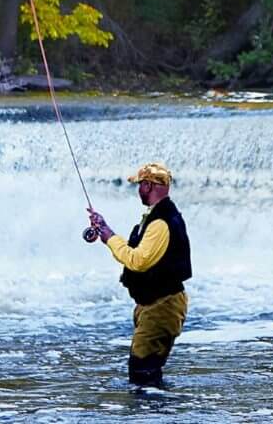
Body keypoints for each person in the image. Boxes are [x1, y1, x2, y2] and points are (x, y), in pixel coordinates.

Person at [86, 161, 192, 388]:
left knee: (142, 372)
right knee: (146, 372)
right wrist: (107, 230)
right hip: (155, 305)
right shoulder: (158, 217)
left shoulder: (161, 222)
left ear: (148, 186)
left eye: (140, 185)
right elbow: (139, 253)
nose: (138, 190)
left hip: (162, 306)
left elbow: (138, 261)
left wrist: (108, 238)